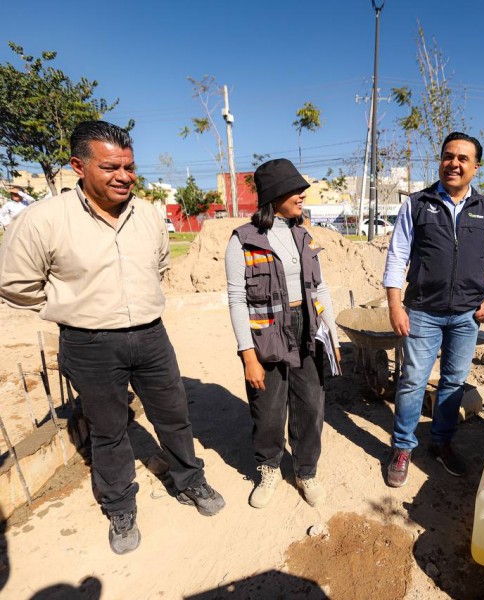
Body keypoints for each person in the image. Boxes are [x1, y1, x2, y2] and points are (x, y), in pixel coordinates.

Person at [0, 121, 225, 555]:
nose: (124, 176)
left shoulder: (148, 215)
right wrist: (72, 304)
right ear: (78, 167)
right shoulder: (44, 220)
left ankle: (190, 480)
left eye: (130, 166)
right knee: (108, 430)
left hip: (151, 336)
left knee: (174, 415)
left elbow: (159, 266)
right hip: (89, 344)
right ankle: (121, 506)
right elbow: (15, 284)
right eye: (111, 167)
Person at [383, 131, 484, 488]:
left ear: (475, 167)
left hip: (467, 314)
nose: (454, 163)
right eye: (448, 156)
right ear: (440, 160)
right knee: (412, 380)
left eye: (463, 158)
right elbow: (397, 256)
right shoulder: (417, 204)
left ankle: (440, 443)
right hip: (422, 309)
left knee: (453, 383)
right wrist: (395, 305)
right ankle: (403, 447)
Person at [225, 158, 340, 509]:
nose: (302, 194)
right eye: (295, 189)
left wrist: (332, 336)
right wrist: (248, 355)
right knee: (269, 408)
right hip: (267, 333)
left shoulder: (303, 235)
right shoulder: (243, 241)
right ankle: (269, 467)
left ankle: (306, 471)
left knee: (310, 404)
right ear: (275, 194)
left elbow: (320, 288)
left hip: (306, 326)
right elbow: (236, 299)